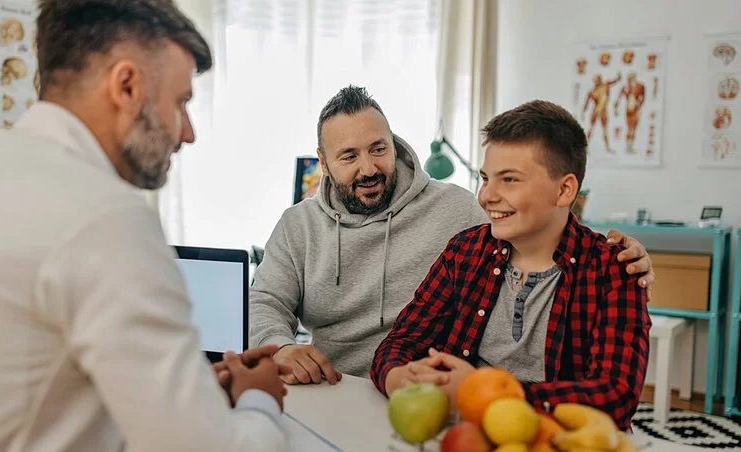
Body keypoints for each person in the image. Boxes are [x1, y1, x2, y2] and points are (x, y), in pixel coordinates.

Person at [0, 1, 288, 452]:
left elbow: (16, 387)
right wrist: (259, 402)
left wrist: (181, 396)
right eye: (181, 103)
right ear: (126, 86)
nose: (188, 133)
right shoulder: (105, 218)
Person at [250, 85, 655, 384]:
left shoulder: (459, 210)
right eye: (349, 156)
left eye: (378, 149)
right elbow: (264, 300)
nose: (369, 168)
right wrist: (281, 346)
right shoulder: (297, 225)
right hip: (334, 388)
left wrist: (613, 253)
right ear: (323, 162)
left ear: (394, 144)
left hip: (434, 389)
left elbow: (536, 223)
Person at [370, 100, 650, 430]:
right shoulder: (464, 251)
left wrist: (486, 393)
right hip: (468, 437)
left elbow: (615, 396)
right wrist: (397, 375)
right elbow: (401, 343)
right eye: (485, 178)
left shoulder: (613, 269)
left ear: (564, 190)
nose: (487, 196)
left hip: (562, 449)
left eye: (510, 180)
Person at [583, 73, 622, 153]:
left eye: (597, 80)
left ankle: (607, 148)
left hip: (603, 111)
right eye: (595, 81)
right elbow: (586, 103)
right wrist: (583, 113)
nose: (596, 82)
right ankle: (585, 147)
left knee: (605, 130)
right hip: (596, 110)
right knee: (591, 128)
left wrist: (618, 78)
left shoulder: (605, 85)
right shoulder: (592, 91)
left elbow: (613, 82)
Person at [614, 72, 646, 153]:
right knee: (631, 128)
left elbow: (642, 98)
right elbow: (618, 100)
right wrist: (616, 108)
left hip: (634, 108)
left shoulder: (639, 86)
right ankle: (629, 146)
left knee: (632, 128)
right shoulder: (626, 87)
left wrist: (638, 104)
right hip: (631, 108)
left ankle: (629, 146)